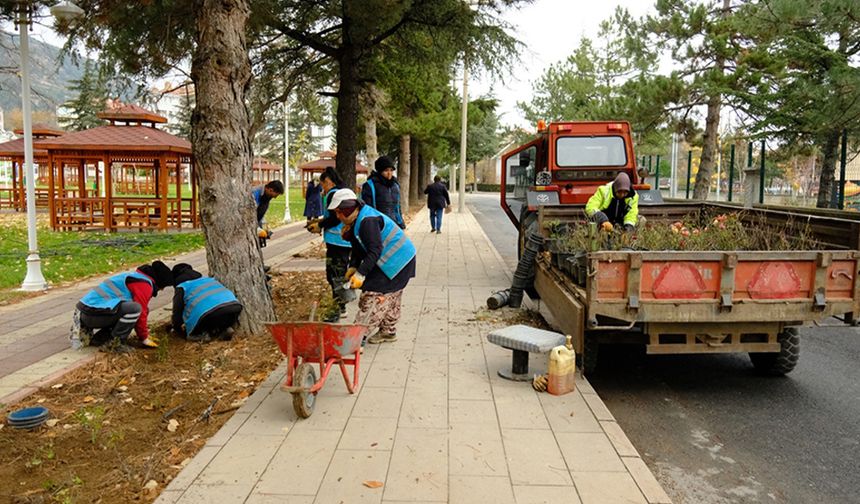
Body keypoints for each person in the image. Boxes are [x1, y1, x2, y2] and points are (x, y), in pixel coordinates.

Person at [328, 188, 416, 344]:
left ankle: (357, 336)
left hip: (398, 261)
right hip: (394, 260)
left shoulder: (367, 221)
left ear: (347, 210)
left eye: (339, 212)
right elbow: (358, 248)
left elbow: (375, 250)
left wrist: (361, 274)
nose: (337, 216)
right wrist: (353, 266)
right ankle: (388, 332)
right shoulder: (357, 219)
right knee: (391, 295)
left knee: (374, 296)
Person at [70, 260, 173, 352]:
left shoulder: (136, 277)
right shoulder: (144, 285)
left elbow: (143, 310)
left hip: (88, 312)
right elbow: (140, 311)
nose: (162, 290)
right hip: (91, 314)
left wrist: (144, 333)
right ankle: (115, 344)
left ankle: (101, 339)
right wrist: (144, 337)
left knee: (133, 310)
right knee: (135, 309)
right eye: (163, 287)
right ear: (160, 282)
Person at [307, 167, 352, 321]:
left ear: (328, 182)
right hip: (344, 241)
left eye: (323, 184)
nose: (323, 188)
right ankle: (340, 304)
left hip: (336, 241)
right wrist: (320, 222)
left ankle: (339, 308)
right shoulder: (343, 192)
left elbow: (334, 218)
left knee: (335, 274)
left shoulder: (333, 194)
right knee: (338, 273)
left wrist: (320, 225)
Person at [170, 263, 243, 342]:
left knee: (201, 318)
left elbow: (177, 310)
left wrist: (176, 327)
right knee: (215, 315)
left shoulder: (182, 287)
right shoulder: (208, 279)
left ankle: (202, 335)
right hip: (233, 306)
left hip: (207, 313)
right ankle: (224, 328)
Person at [361, 155, 405, 229]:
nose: (389, 173)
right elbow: (367, 209)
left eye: (391, 170)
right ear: (380, 171)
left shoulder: (395, 185)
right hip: (378, 226)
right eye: (386, 170)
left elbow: (397, 206)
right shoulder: (370, 185)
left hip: (395, 225)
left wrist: (401, 222)